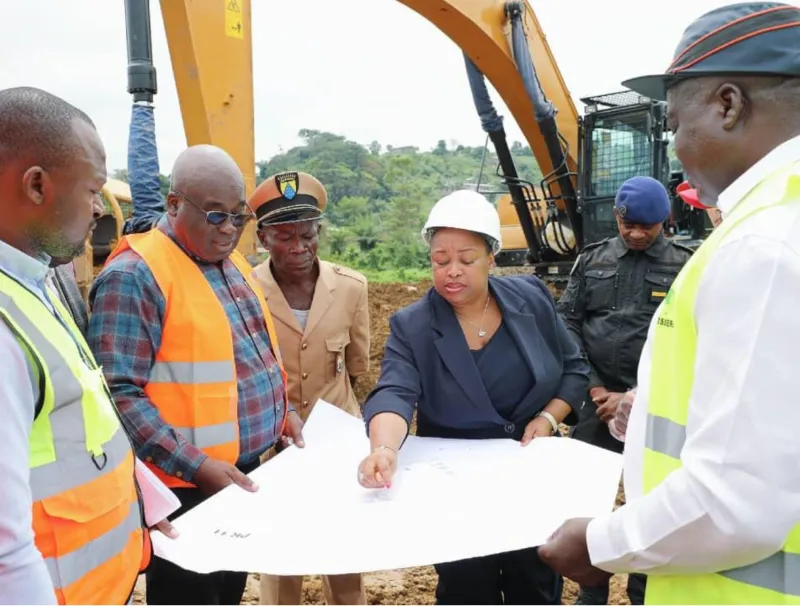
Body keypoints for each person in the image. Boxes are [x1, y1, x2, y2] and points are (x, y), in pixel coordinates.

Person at [539, 3, 800, 604]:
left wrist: (600, 543)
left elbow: (735, 499)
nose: (676, 144)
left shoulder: (761, 246)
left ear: (728, 105)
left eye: (675, 124)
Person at [87, 144, 304, 605]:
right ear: (173, 205)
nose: (228, 230)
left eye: (237, 217)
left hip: (238, 476)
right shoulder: (134, 276)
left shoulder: (232, 263)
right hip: (183, 489)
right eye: (214, 216)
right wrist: (196, 465)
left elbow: (248, 358)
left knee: (227, 593)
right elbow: (117, 394)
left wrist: (281, 415)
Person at [357, 190, 590, 605]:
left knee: (534, 586)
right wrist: (384, 447)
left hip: (527, 481)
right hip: (456, 491)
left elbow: (574, 368)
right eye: (440, 260)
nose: (452, 271)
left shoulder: (531, 299)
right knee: (466, 590)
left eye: (467, 259)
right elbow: (394, 391)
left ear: (492, 258)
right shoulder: (413, 326)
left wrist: (550, 419)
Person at [0, 86, 159, 604]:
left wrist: (139, 497)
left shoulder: (36, 278)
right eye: (92, 190)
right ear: (38, 185)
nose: (98, 209)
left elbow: (79, 414)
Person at [556, 175, 693, 604]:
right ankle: (590, 591)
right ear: (618, 216)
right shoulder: (592, 260)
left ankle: (643, 592)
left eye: (646, 227)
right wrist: (595, 389)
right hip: (595, 405)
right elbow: (568, 322)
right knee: (587, 497)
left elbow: (690, 338)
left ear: (664, 221)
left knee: (652, 502)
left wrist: (634, 394)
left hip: (654, 406)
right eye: (628, 225)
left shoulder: (685, 264)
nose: (636, 234)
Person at [248, 171, 370, 606]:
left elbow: (358, 371)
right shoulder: (243, 289)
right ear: (263, 238)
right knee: (281, 563)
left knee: (343, 561)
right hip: (272, 448)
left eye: (308, 233)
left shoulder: (351, 288)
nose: (299, 246)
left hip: (337, 447)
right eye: (285, 236)